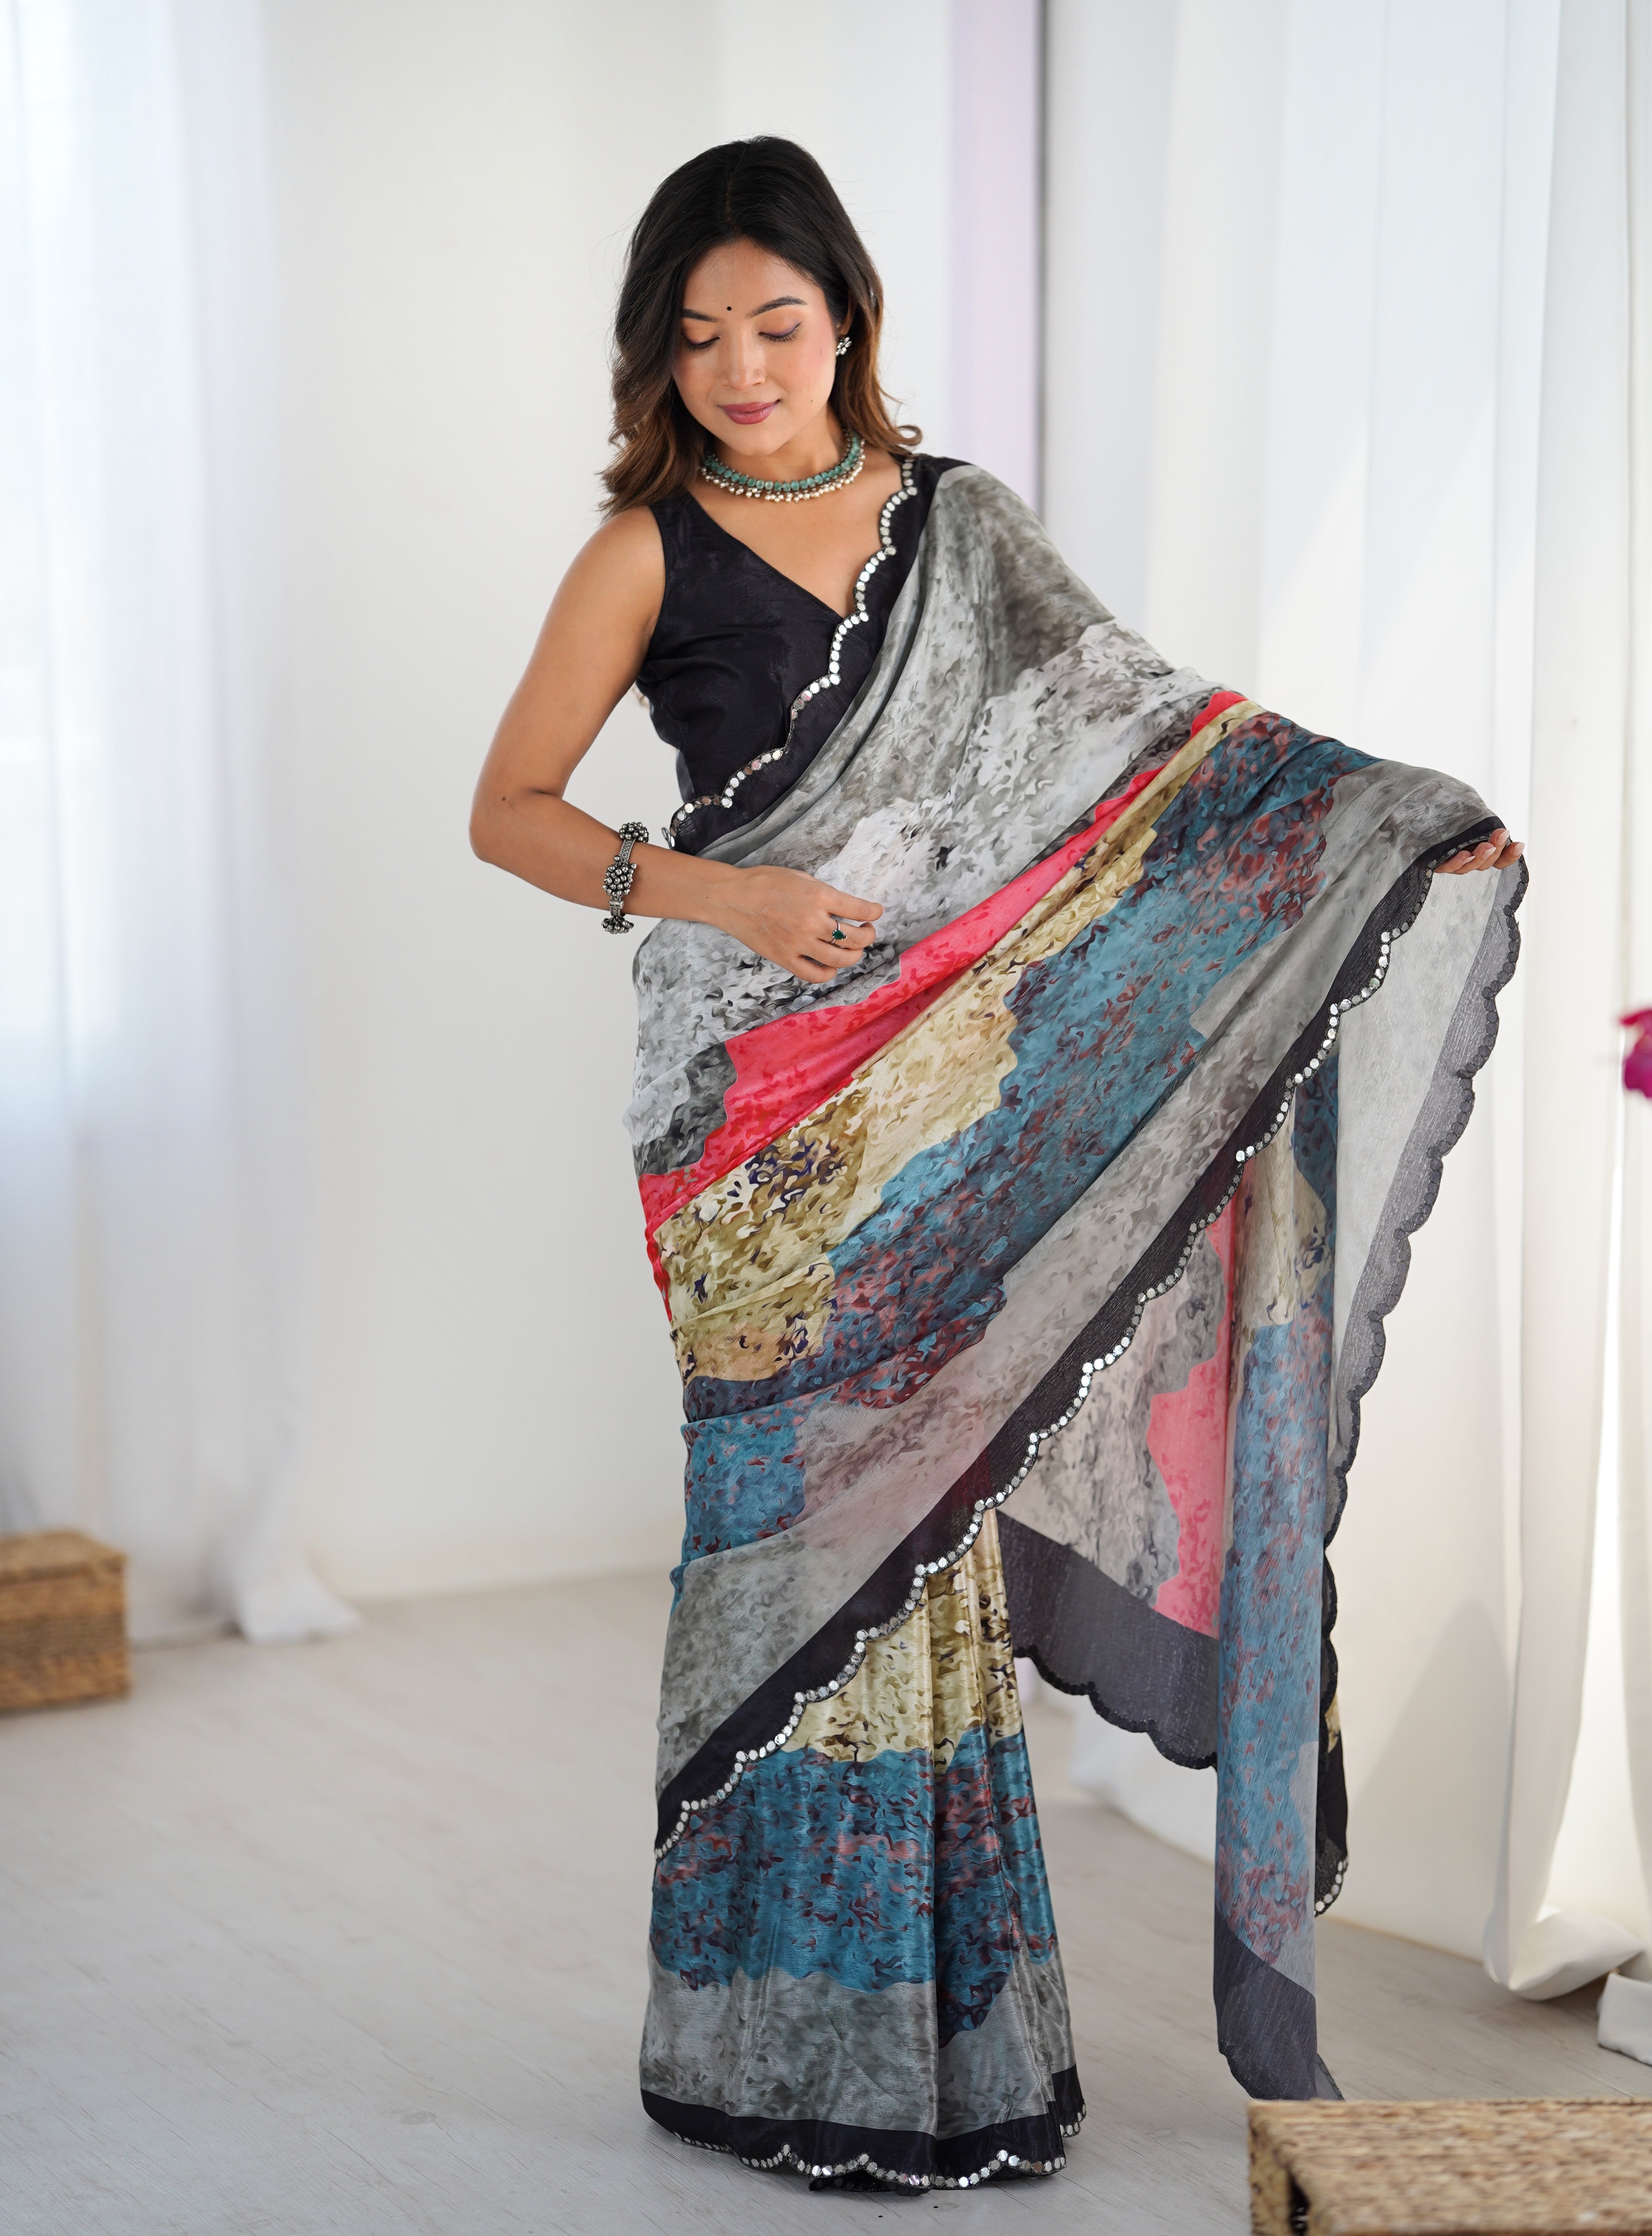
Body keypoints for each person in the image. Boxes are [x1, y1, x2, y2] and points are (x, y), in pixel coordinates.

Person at [471, 138, 1524, 2196]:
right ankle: (761, 2035)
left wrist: (1398, 825)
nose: (742, 370)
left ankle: (943, 2048)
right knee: (779, 1559)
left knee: (925, 1556)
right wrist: (724, 900)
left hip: (954, 1111)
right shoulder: (643, 550)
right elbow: (507, 809)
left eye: (776, 323)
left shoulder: (967, 528)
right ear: (657, 361)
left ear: (848, 315)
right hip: (757, 1127)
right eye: (697, 340)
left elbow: (1165, 747)